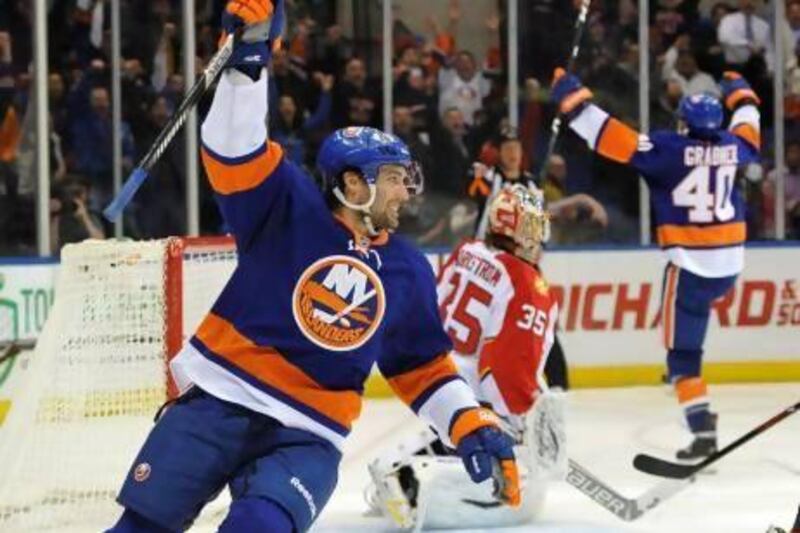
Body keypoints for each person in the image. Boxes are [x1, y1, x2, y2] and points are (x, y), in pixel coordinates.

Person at [106, 2, 519, 532]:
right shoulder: (285, 206)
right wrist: (249, 61)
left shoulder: (407, 268)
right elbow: (234, 148)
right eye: (392, 177)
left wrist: (468, 422)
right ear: (353, 184)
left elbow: (422, 367)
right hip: (218, 400)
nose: (404, 191)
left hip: (307, 434)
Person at [550, 68, 761, 460]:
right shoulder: (734, 146)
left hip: (690, 268)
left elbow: (612, 138)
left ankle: (701, 430)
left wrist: (573, 101)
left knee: (682, 358)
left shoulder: (669, 150)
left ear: (684, 123)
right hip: (730, 265)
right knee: (688, 349)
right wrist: (743, 93)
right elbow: (750, 124)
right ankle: (699, 420)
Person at [365, 184, 563, 530]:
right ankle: (411, 479)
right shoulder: (528, 283)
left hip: (438, 375)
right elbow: (507, 367)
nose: (538, 237)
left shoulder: (467, 250)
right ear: (513, 230)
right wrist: (522, 418)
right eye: (531, 227)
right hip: (474, 386)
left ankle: (405, 470)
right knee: (514, 457)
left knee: (465, 427)